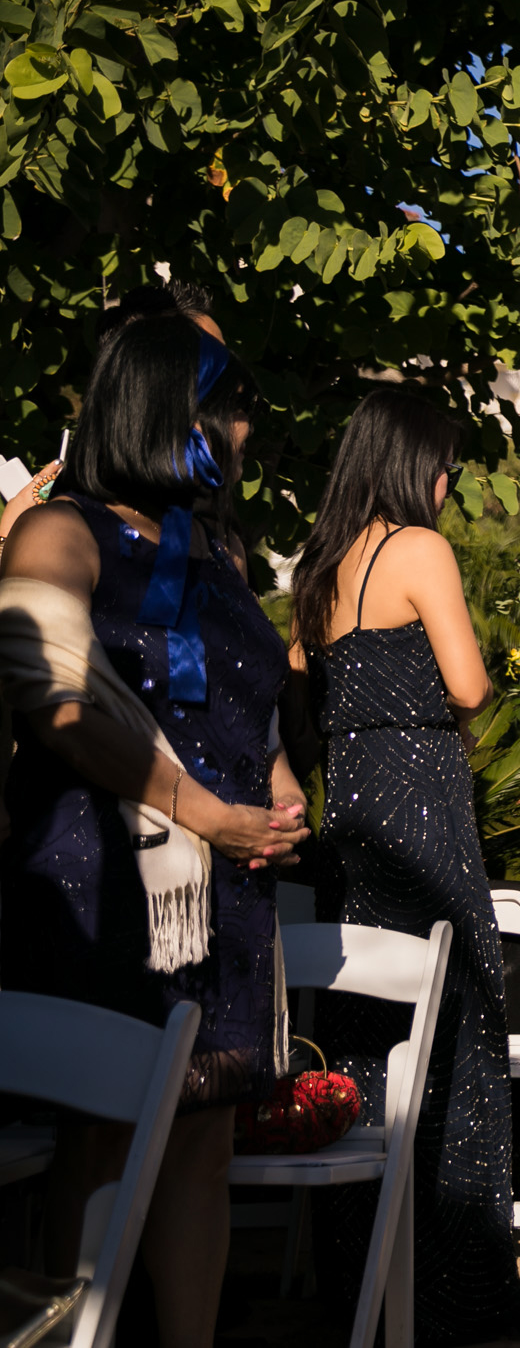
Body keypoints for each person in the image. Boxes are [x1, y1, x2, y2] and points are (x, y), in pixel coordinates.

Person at [0, 314, 309, 1348]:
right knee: (102, 1139)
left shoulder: (214, 548)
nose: (242, 434)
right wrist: (208, 815)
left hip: (222, 889)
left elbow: (241, 692)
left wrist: (276, 783)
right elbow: (56, 705)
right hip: (106, 893)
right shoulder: (58, 533)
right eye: (227, 411)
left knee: (205, 1146)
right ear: (166, 412)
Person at [287, 390, 520, 1344]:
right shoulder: (418, 550)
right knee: (458, 1020)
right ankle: (455, 1290)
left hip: (351, 799)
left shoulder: (319, 566)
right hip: (422, 797)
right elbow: (468, 684)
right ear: (411, 464)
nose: (446, 482)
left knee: (362, 1031)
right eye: (443, 466)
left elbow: (294, 693)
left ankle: (363, 1281)